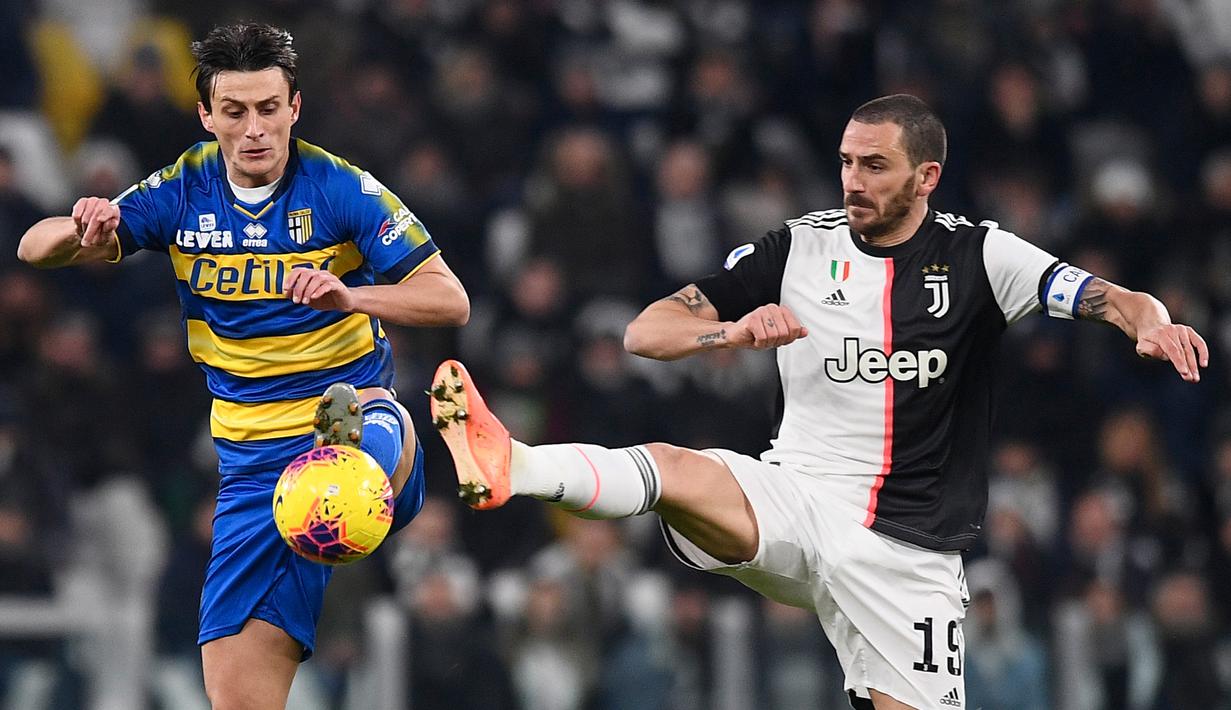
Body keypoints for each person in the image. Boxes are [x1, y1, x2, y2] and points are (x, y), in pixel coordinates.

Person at [428, 94, 1207, 710]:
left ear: (925, 177)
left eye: (873, 165)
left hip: (907, 553)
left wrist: (1151, 322)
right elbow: (644, 331)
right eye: (843, 162)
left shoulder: (980, 255)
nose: (852, 181)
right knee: (674, 469)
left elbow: (1108, 296)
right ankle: (512, 463)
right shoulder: (797, 247)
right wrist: (728, 332)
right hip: (797, 494)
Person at [17, 22, 470, 710]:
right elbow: (31, 246)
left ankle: (377, 439)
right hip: (250, 463)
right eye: (234, 112)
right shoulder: (182, 188)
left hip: (341, 417)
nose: (253, 128)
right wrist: (83, 229)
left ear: (295, 107)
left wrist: (353, 294)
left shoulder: (342, 188)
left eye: (267, 109)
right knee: (236, 699)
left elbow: (449, 298)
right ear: (207, 115)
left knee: (355, 453)